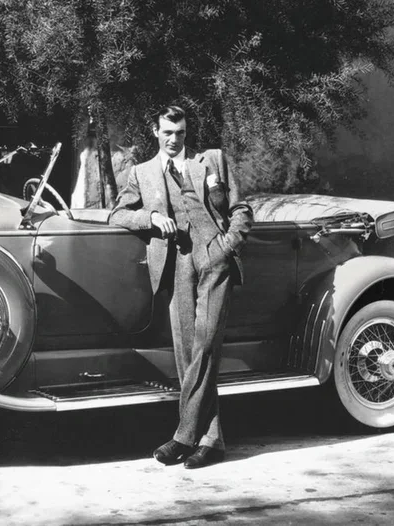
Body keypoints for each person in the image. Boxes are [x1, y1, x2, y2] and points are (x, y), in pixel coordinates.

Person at [109, 106, 253, 469]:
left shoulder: (213, 161)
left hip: (215, 258)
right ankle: (212, 441)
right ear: (155, 132)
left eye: (181, 133)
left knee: (205, 345)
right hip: (176, 264)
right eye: (167, 133)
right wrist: (151, 218)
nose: (174, 140)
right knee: (187, 353)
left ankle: (183, 436)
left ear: (187, 133)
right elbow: (118, 214)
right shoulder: (141, 173)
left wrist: (228, 244)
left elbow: (242, 209)